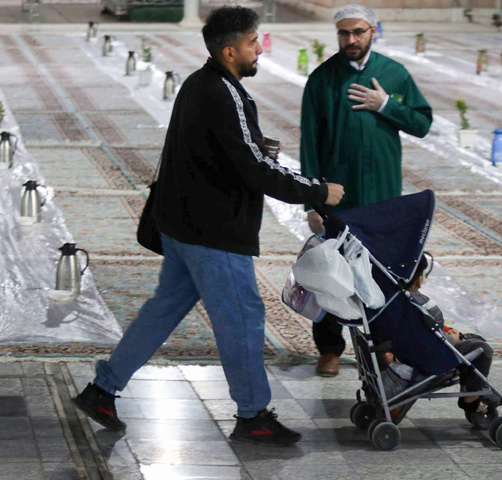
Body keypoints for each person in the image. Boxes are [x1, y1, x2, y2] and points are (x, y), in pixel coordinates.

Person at [72, 6, 344, 447]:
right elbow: (255, 169)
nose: (260, 50)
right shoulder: (224, 92)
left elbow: (226, 153)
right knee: (242, 318)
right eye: (254, 43)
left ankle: (102, 390)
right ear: (229, 50)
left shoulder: (198, 84)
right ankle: (253, 414)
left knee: (163, 310)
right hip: (214, 234)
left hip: (183, 228)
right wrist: (317, 190)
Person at [300, 4, 433, 376]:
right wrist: (312, 201)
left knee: (383, 273)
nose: (351, 40)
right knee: (331, 271)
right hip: (338, 197)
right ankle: (329, 349)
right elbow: (310, 143)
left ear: (374, 30)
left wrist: (386, 105)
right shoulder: (322, 79)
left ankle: (384, 348)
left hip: (383, 195)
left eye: (358, 32)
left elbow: (422, 123)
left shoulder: (394, 74)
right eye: (344, 33)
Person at [402, 253, 499, 416]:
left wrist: (444, 330)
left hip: (419, 346)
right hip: (430, 356)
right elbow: (422, 336)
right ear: (419, 279)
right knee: (482, 349)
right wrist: (450, 339)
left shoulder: (395, 302)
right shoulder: (415, 304)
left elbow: (418, 328)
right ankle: (471, 400)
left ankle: (467, 390)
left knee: (473, 341)